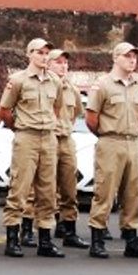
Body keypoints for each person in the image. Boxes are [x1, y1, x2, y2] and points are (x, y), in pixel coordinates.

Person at [85, 42, 138, 259]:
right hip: (110, 141)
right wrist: (107, 134)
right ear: (116, 58)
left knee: (132, 192)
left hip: (131, 141)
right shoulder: (103, 85)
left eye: (134, 56)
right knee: (104, 190)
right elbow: (91, 119)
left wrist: (128, 132)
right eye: (127, 56)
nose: (132, 60)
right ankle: (97, 238)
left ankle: (131, 238)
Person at [0, 38, 65, 258]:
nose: (44, 56)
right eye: (39, 52)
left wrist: (48, 127)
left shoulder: (55, 81)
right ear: (29, 54)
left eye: (47, 52)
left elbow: (56, 109)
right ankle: (12, 238)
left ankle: (45, 239)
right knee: (20, 189)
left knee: (48, 191)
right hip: (26, 136)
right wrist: (19, 127)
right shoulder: (18, 80)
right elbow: (5, 111)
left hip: (48, 137)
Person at [46, 49, 89, 249]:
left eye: (65, 62)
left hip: (66, 139)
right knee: (44, 188)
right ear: (48, 64)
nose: (63, 66)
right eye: (58, 62)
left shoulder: (72, 89)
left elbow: (75, 115)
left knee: (69, 188)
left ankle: (68, 228)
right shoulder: (43, 85)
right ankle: (34, 229)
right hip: (48, 138)